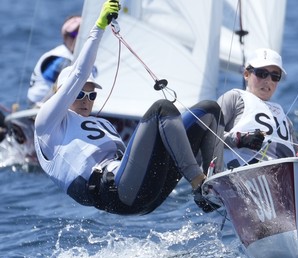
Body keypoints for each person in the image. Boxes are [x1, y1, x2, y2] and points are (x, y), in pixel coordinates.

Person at [34, 0, 223, 215]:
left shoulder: (102, 123)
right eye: (79, 94)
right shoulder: (47, 124)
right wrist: (99, 27)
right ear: (62, 94)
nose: (86, 100)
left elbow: (137, 158)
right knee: (161, 109)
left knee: (209, 110)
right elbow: (79, 73)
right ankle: (200, 184)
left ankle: (217, 190)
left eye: (92, 95)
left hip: (144, 189)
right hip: (117, 194)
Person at [218, 48, 295, 169]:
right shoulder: (234, 98)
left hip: (281, 176)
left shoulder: (286, 119)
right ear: (246, 74)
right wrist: (239, 139)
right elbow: (208, 137)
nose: (268, 80)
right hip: (239, 177)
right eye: (261, 73)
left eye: (275, 76)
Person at [28, 15, 82, 106]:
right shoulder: (60, 58)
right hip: (38, 108)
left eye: (80, 35)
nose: (77, 39)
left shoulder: (73, 56)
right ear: (65, 36)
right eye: (73, 35)